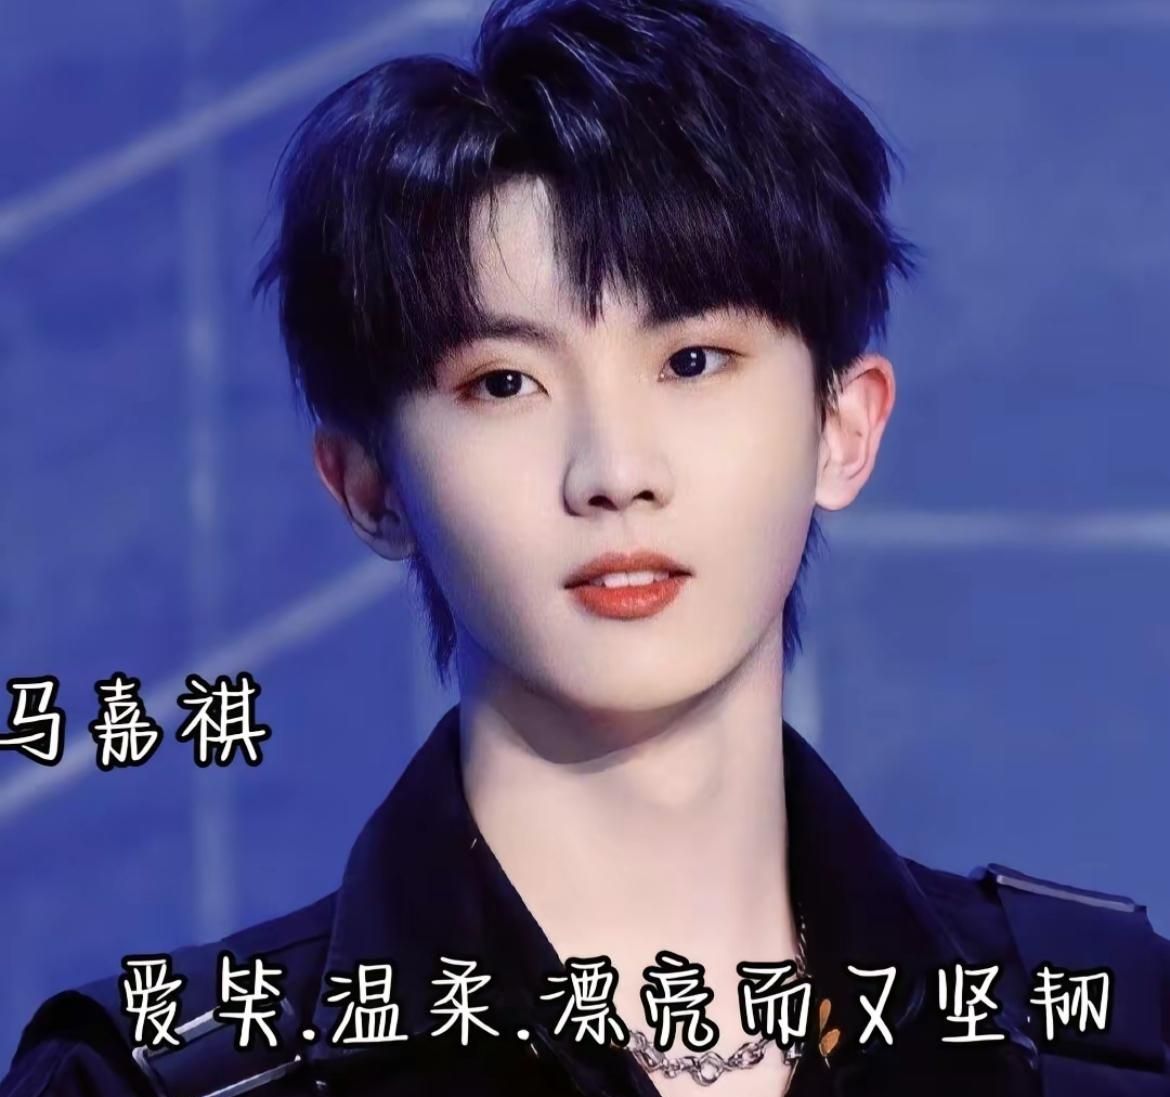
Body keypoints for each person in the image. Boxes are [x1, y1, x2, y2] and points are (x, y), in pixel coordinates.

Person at [4, 0, 1168, 1095]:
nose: (613, 469)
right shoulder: (147, 1080)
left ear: (842, 428)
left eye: (693, 361)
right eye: (504, 382)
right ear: (369, 485)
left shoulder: (1103, 1035)